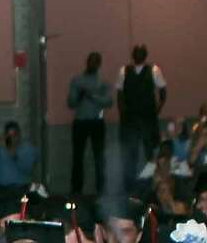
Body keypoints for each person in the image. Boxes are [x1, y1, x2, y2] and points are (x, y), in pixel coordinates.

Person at [117, 44, 167, 188]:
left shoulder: (154, 70)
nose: (138, 55)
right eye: (136, 53)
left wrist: (156, 111)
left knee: (151, 153)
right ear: (133, 55)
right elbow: (119, 94)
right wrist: (123, 114)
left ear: (145, 56)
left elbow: (163, 92)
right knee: (129, 154)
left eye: (141, 53)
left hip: (147, 118)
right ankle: (129, 187)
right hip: (130, 119)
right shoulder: (124, 71)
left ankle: (153, 185)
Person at [68, 52, 113, 194]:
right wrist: (79, 96)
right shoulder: (77, 80)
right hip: (80, 122)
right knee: (77, 157)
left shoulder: (103, 82)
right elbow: (70, 103)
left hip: (96, 122)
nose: (92, 64)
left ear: (99, 64)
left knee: (99, 157)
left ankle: (101, 189)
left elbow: (109, 102)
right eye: (90, 61)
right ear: (87, 62)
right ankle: (76, 190)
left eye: (95, 62)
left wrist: (92, 96)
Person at [0, 121, 38, 191]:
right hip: (0, 188)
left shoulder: (27, 148)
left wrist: (12, 153)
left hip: (20, 188)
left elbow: (27, 168)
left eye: (14, 135)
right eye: (9, 135)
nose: (12, 138)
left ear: (19, 135)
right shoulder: (0, 147)